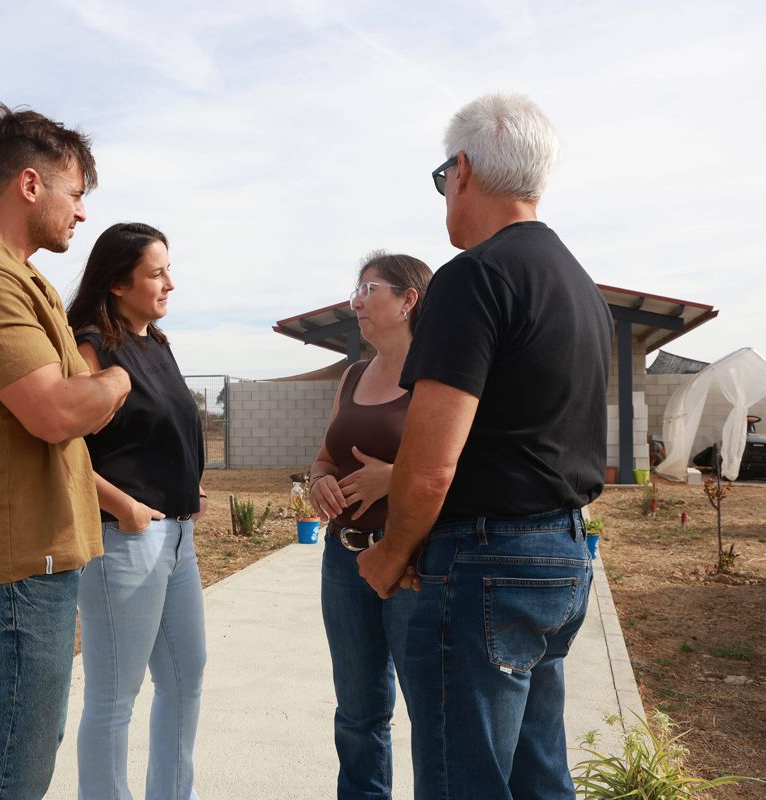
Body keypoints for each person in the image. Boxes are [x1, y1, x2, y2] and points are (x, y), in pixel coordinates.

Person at [357, 93, 613, 799]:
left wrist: (392, 552)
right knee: (538, 779)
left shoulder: (474, 277)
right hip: (561, 555)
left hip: (486, 564)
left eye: (444, 180)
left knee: (461, 779)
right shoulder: (578, 284)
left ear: (462, 170)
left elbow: (431, 462)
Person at [0, 101, 131, 800]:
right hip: (14, 567)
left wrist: (91, 395)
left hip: (36, 561)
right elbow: (57, 411)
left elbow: (81, 415)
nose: (81, 214)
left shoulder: (23, 276)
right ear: (31, 185)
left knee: (20, 762)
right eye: (76, 194)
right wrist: (117, 379)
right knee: (6, 774)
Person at [67, 222, 207, 800]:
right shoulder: (90, 344)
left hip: (176, 541)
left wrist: (188, 486)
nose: (170, 282)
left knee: (184, 679)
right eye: (157, 272)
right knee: (113, 698)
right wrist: (124, 507)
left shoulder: (156, 342)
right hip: (124, 540)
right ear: (119, 282)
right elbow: (63, 446)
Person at [307, 251, 431, 800]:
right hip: (343, 559)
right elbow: (325, 458)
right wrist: (319, 483)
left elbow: (459, 463)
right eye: (355, 290)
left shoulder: (437, 377)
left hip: (411, 561)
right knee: (358, 713)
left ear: (409, 299)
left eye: (370, 288)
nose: (356, 300)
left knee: (431, 713)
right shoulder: (353, 374)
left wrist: (394, 478)